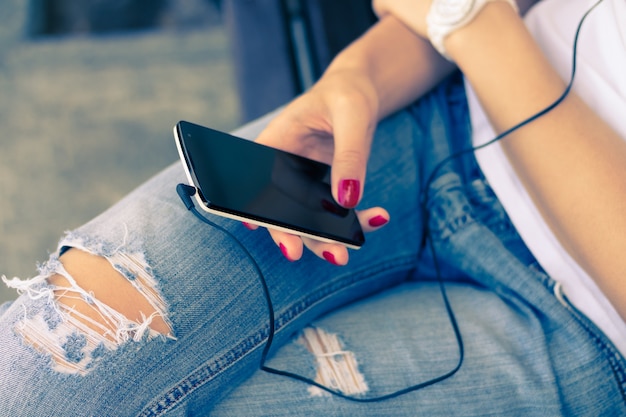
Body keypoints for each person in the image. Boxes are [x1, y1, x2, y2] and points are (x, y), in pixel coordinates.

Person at [1, 0, 625, 415]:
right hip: (433, 110)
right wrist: (358, 77)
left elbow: (473, 13)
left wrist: (470, 22)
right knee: (42, 363)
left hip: (585, 314)